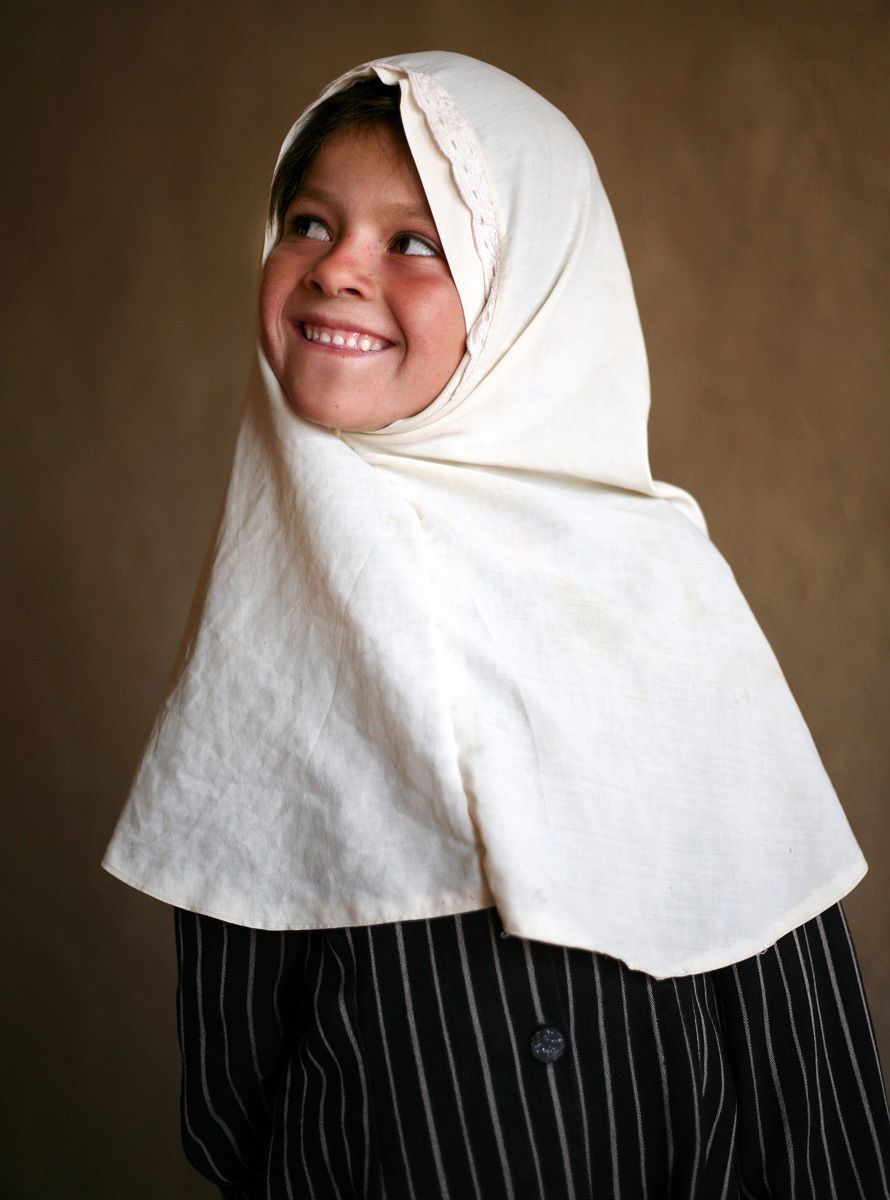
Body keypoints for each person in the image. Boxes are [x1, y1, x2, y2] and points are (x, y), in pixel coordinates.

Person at [104, 52, 890, 1198]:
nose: (337, 273)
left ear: (529, 290)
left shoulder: (660, 597)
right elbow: (236, 1087)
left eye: (412, 243)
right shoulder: (272, 610)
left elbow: (797, 1061)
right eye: (308, 224)